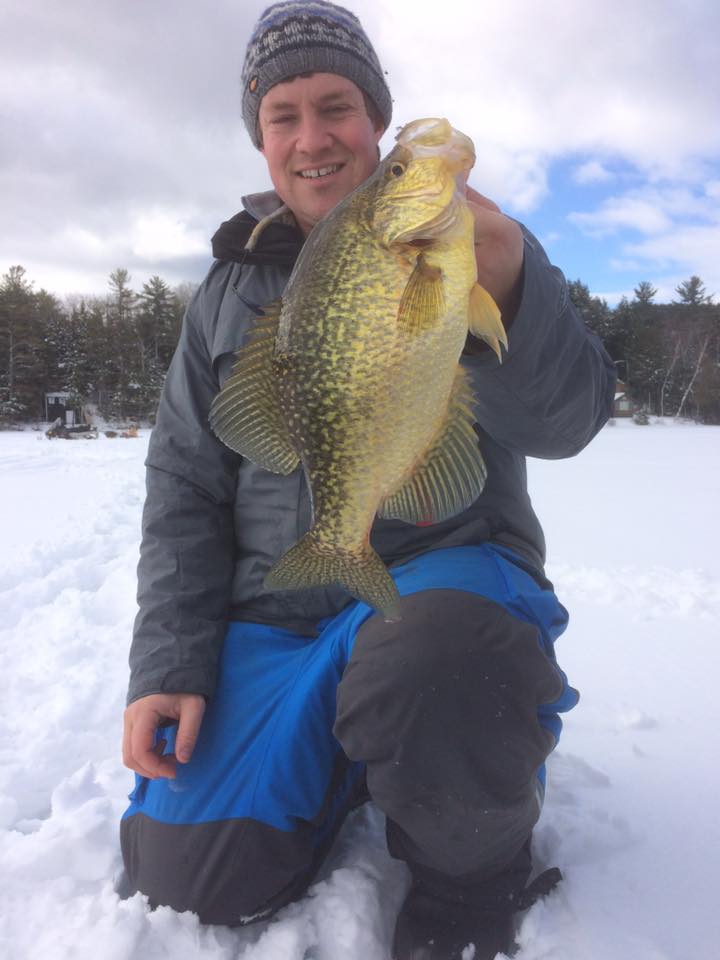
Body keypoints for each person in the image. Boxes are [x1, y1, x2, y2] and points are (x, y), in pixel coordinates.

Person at [120, 3, 616, 958]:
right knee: (192, 874)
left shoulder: (475, 248)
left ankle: (472, 865)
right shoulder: (222, 297)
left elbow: (568, 420)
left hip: (444, 579)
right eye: (284, 115)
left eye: (338, 107)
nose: (313, 139)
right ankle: (356, 740)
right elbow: (184, 484)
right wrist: (169, 667)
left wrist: (511, 287)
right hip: (279, 610)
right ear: (260, 138)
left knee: (441, 662)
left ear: (378, 121)